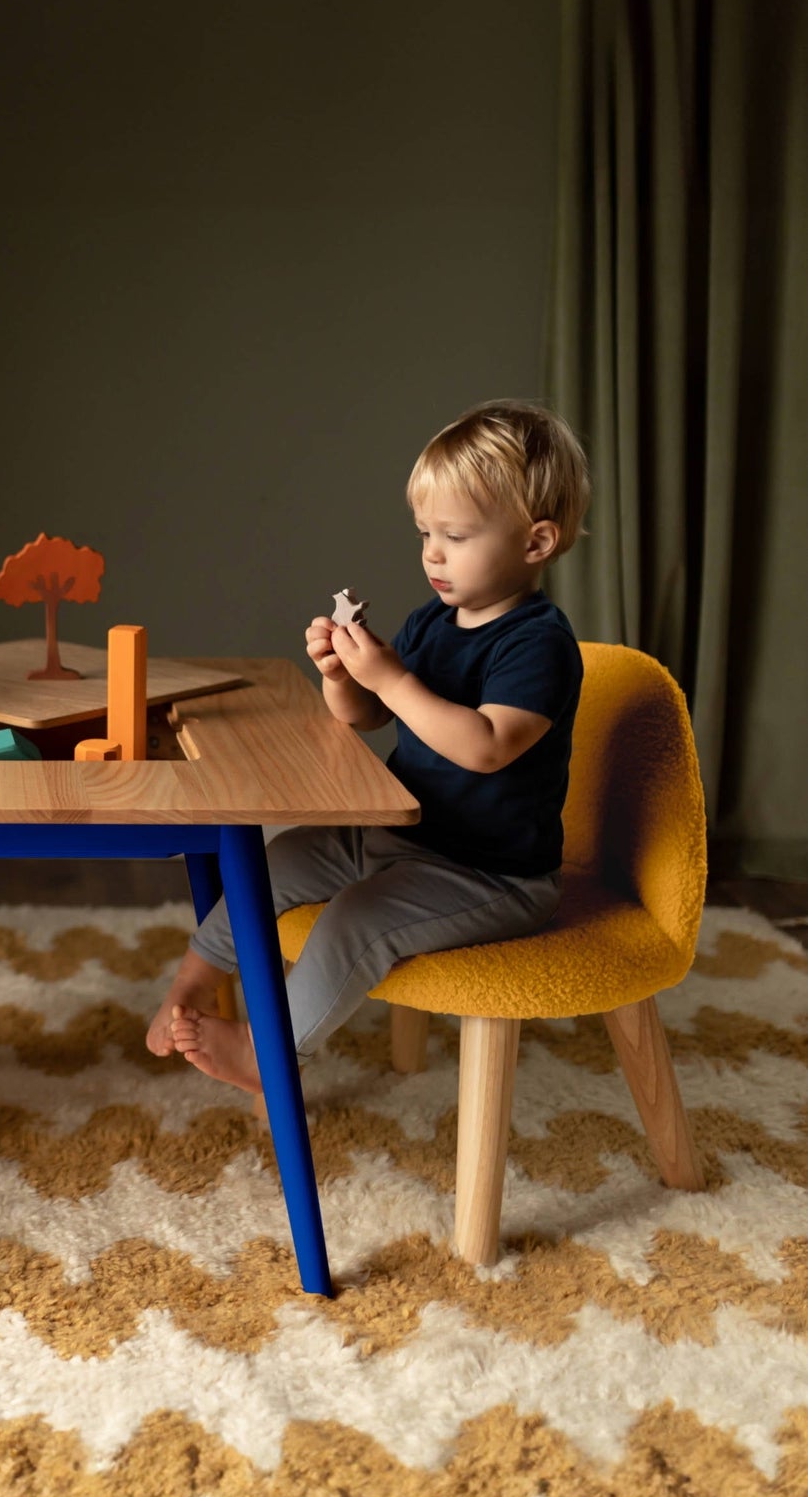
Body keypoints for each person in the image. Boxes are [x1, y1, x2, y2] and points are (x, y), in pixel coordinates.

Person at [149, 398, 590, 1095]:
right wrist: (343, 675)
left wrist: (391, 675)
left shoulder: (539, 643)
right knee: (281, 856)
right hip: (399, 832)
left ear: (535, 543)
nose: (433, 554)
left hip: (491, 874)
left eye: (457, 535)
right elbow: (367, 718)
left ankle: (274, 1056)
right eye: (424, 534)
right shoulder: (433, 621)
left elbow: (484, 747)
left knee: (354, 920)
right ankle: (193, 982)